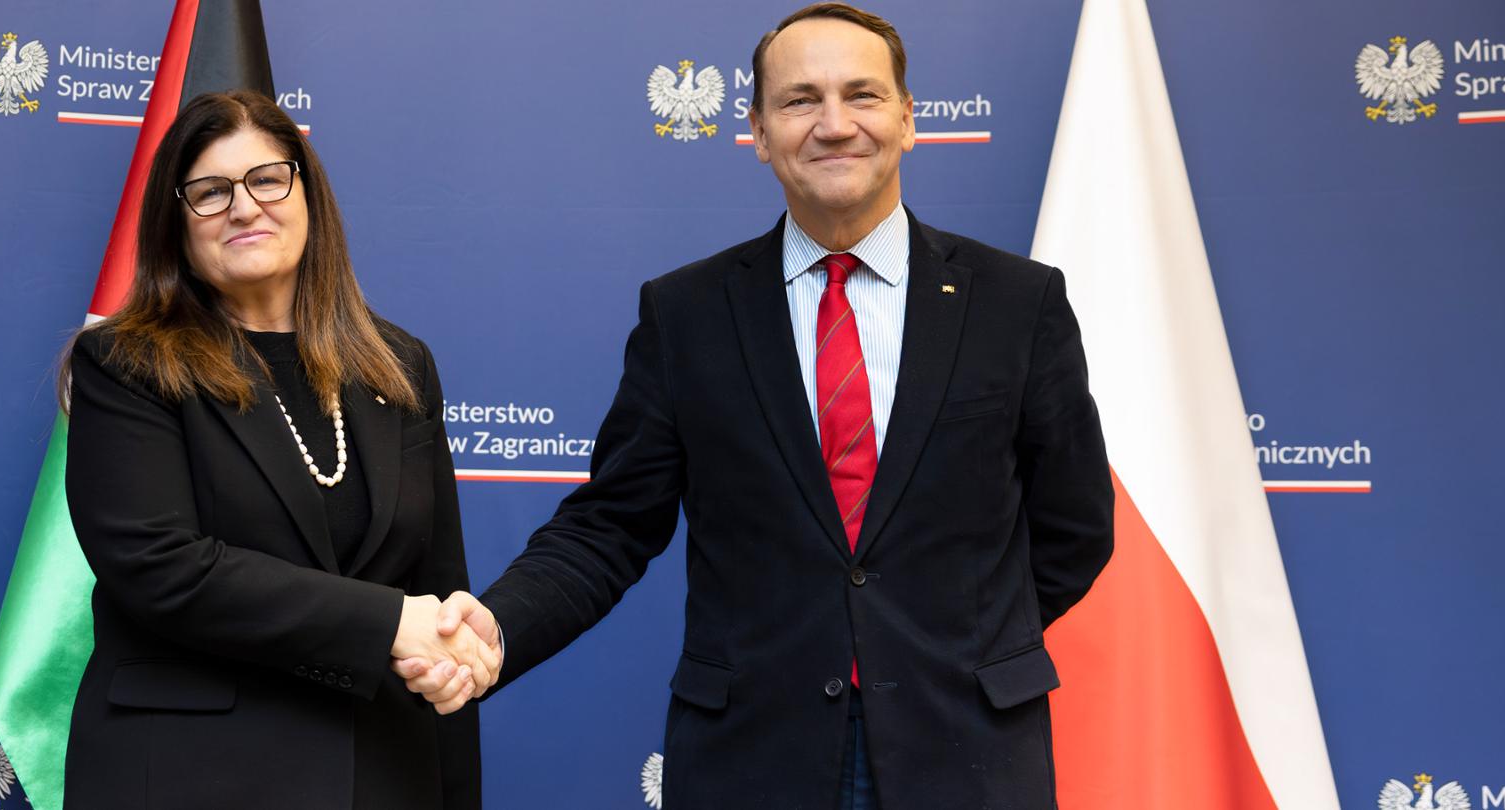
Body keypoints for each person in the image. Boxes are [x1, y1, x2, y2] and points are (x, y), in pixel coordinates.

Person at [396, 4, 1113, 807]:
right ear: (760, 132)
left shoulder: (1018, 303)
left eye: (863, 95)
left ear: (910, 120)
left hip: (967, 755)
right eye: (800, 100)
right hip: (752, 760)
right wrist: (496, 628)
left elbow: (1075, 526)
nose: (834, 124)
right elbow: (610, 526)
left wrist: (955, 646)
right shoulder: (689, 313)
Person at [60, 89, 495, 810]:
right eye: (210, 191)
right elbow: (162, 569)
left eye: (267, 178)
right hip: (188, 778)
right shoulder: (126, 363)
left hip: (381, 772)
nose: (243, 206)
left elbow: (441, 596)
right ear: (177, 223)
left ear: (307, 193)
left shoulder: (400, 364)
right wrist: (389, 621)